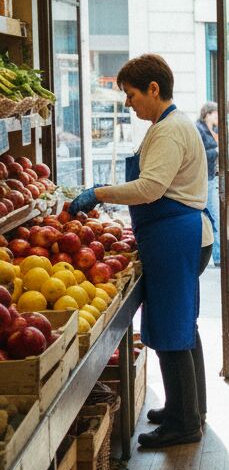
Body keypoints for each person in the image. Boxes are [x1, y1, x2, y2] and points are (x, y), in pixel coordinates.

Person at [70, 54, 213, 450]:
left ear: (154, 88)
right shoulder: (169, 126)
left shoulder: (169, 131)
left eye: (131, 95)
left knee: (172, 331)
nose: (128, 103)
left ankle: (184, 424)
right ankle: (189, 408)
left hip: (175, 238)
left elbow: (150, 188)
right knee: (182, 327)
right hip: (176, 236)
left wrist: (99, 193)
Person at [196, 102, 220, 267]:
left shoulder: (213, 129)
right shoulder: (198, 129)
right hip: (205, 178)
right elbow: (199, 154)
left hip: (212, 176)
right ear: (208, 114)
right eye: (216, 113)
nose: (219, 117)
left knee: (214, 217)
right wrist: (217, 151)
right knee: (213, 217)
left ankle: (218, 256)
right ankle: (217, 257)